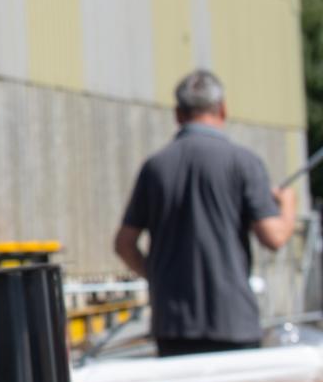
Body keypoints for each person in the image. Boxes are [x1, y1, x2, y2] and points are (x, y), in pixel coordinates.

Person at [113, 70, 296, 358]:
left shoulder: (155, 167)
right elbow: (274, 237)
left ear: (178, 114)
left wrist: (158, 276)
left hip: (173, 324)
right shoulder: (244, 162)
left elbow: (124, 244)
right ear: (222, 109)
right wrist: (288, 204)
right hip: (233, 322)